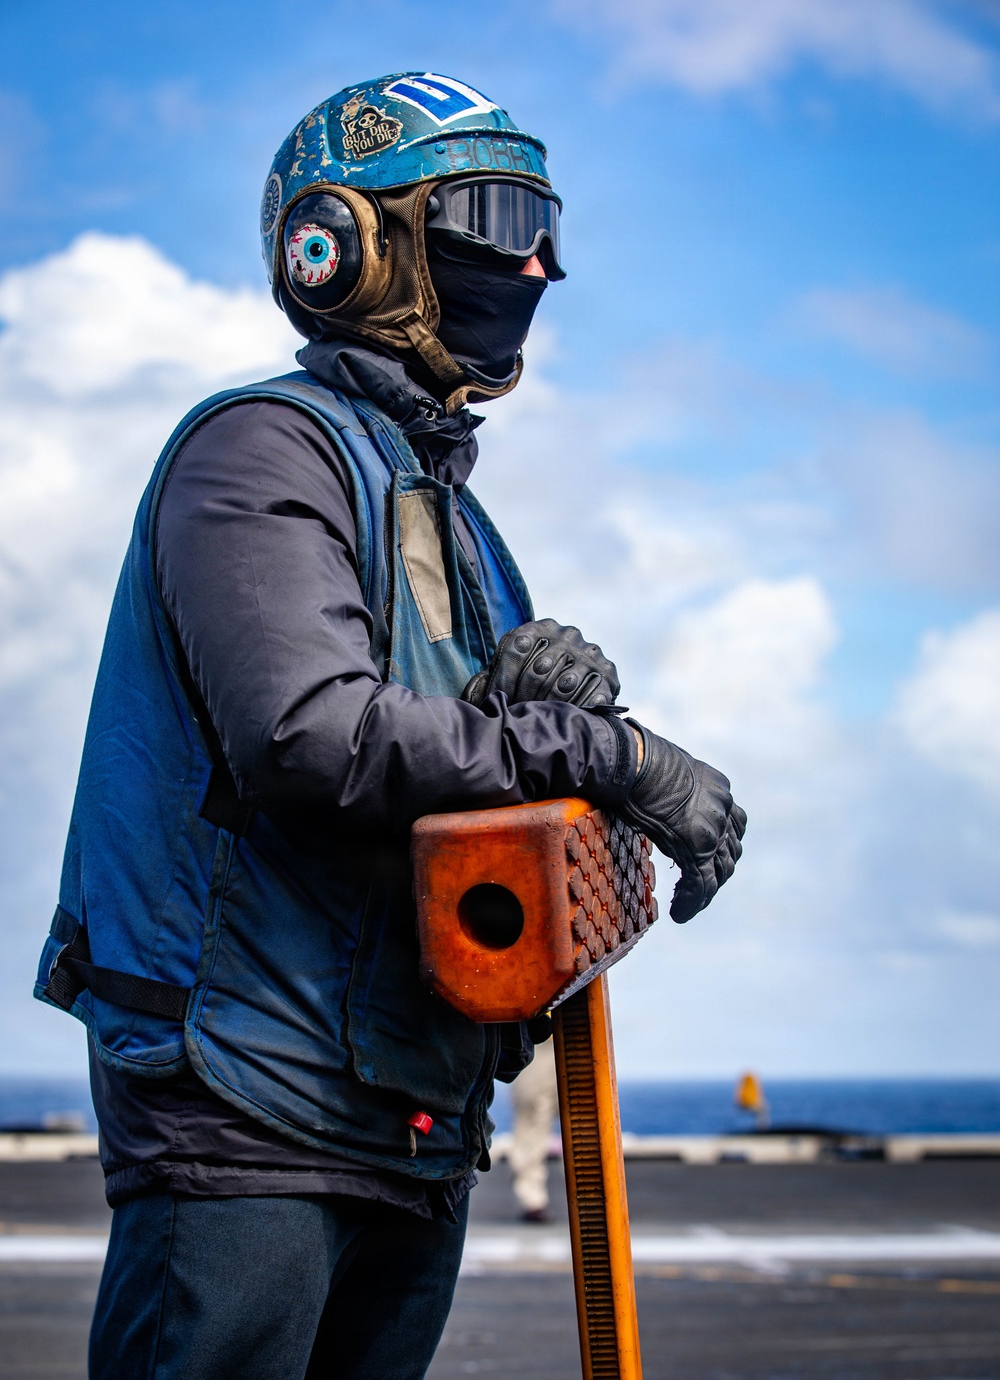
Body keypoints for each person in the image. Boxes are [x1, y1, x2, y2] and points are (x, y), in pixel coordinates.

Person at [33, 71, 746, 1380]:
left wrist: (527, 716)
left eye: (546, 227)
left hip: (411, 1110)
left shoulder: (459, 523)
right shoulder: (263, 452)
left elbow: (453, 790)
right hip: (250, 1105)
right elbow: (318, 744)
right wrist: (617, 757)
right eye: (490, 215)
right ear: (342, 247)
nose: (534, 261)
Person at [509, 1032, 559, 1222]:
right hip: (536, 1034)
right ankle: (531, 1199)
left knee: (584, 1118)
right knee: (532, 1119)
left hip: (575, 1030)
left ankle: (592, 1195)